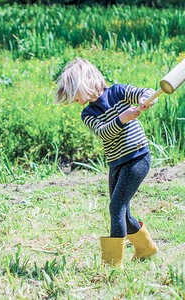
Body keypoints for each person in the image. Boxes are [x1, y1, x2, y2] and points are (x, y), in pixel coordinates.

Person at [54, 58, 158, 268]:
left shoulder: (118, 92)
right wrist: (123, 117)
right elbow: (104, 132)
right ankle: (146, 249)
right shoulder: (88, 113)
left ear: (84, 84)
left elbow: (146, 92)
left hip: (137, 157)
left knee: (116, 206)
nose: (73, 100)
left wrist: (147, 100)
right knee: (122, 211)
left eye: (74, 94)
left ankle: (112, 265)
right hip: (117, 163)